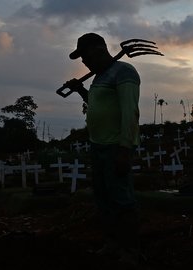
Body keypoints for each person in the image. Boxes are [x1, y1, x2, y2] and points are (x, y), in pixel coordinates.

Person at [64, 33, 141, 265]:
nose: (83, 62)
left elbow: (130, 112)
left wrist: (125, 149)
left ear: (98, 50)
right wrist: (80, 91)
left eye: (85, 56)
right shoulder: (99, 77)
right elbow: (98, 106)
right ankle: (112, 243)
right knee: (104, 200)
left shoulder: (124, 72)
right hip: (98, 147)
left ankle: (130, 251)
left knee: (122, 201)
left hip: (115, 148)